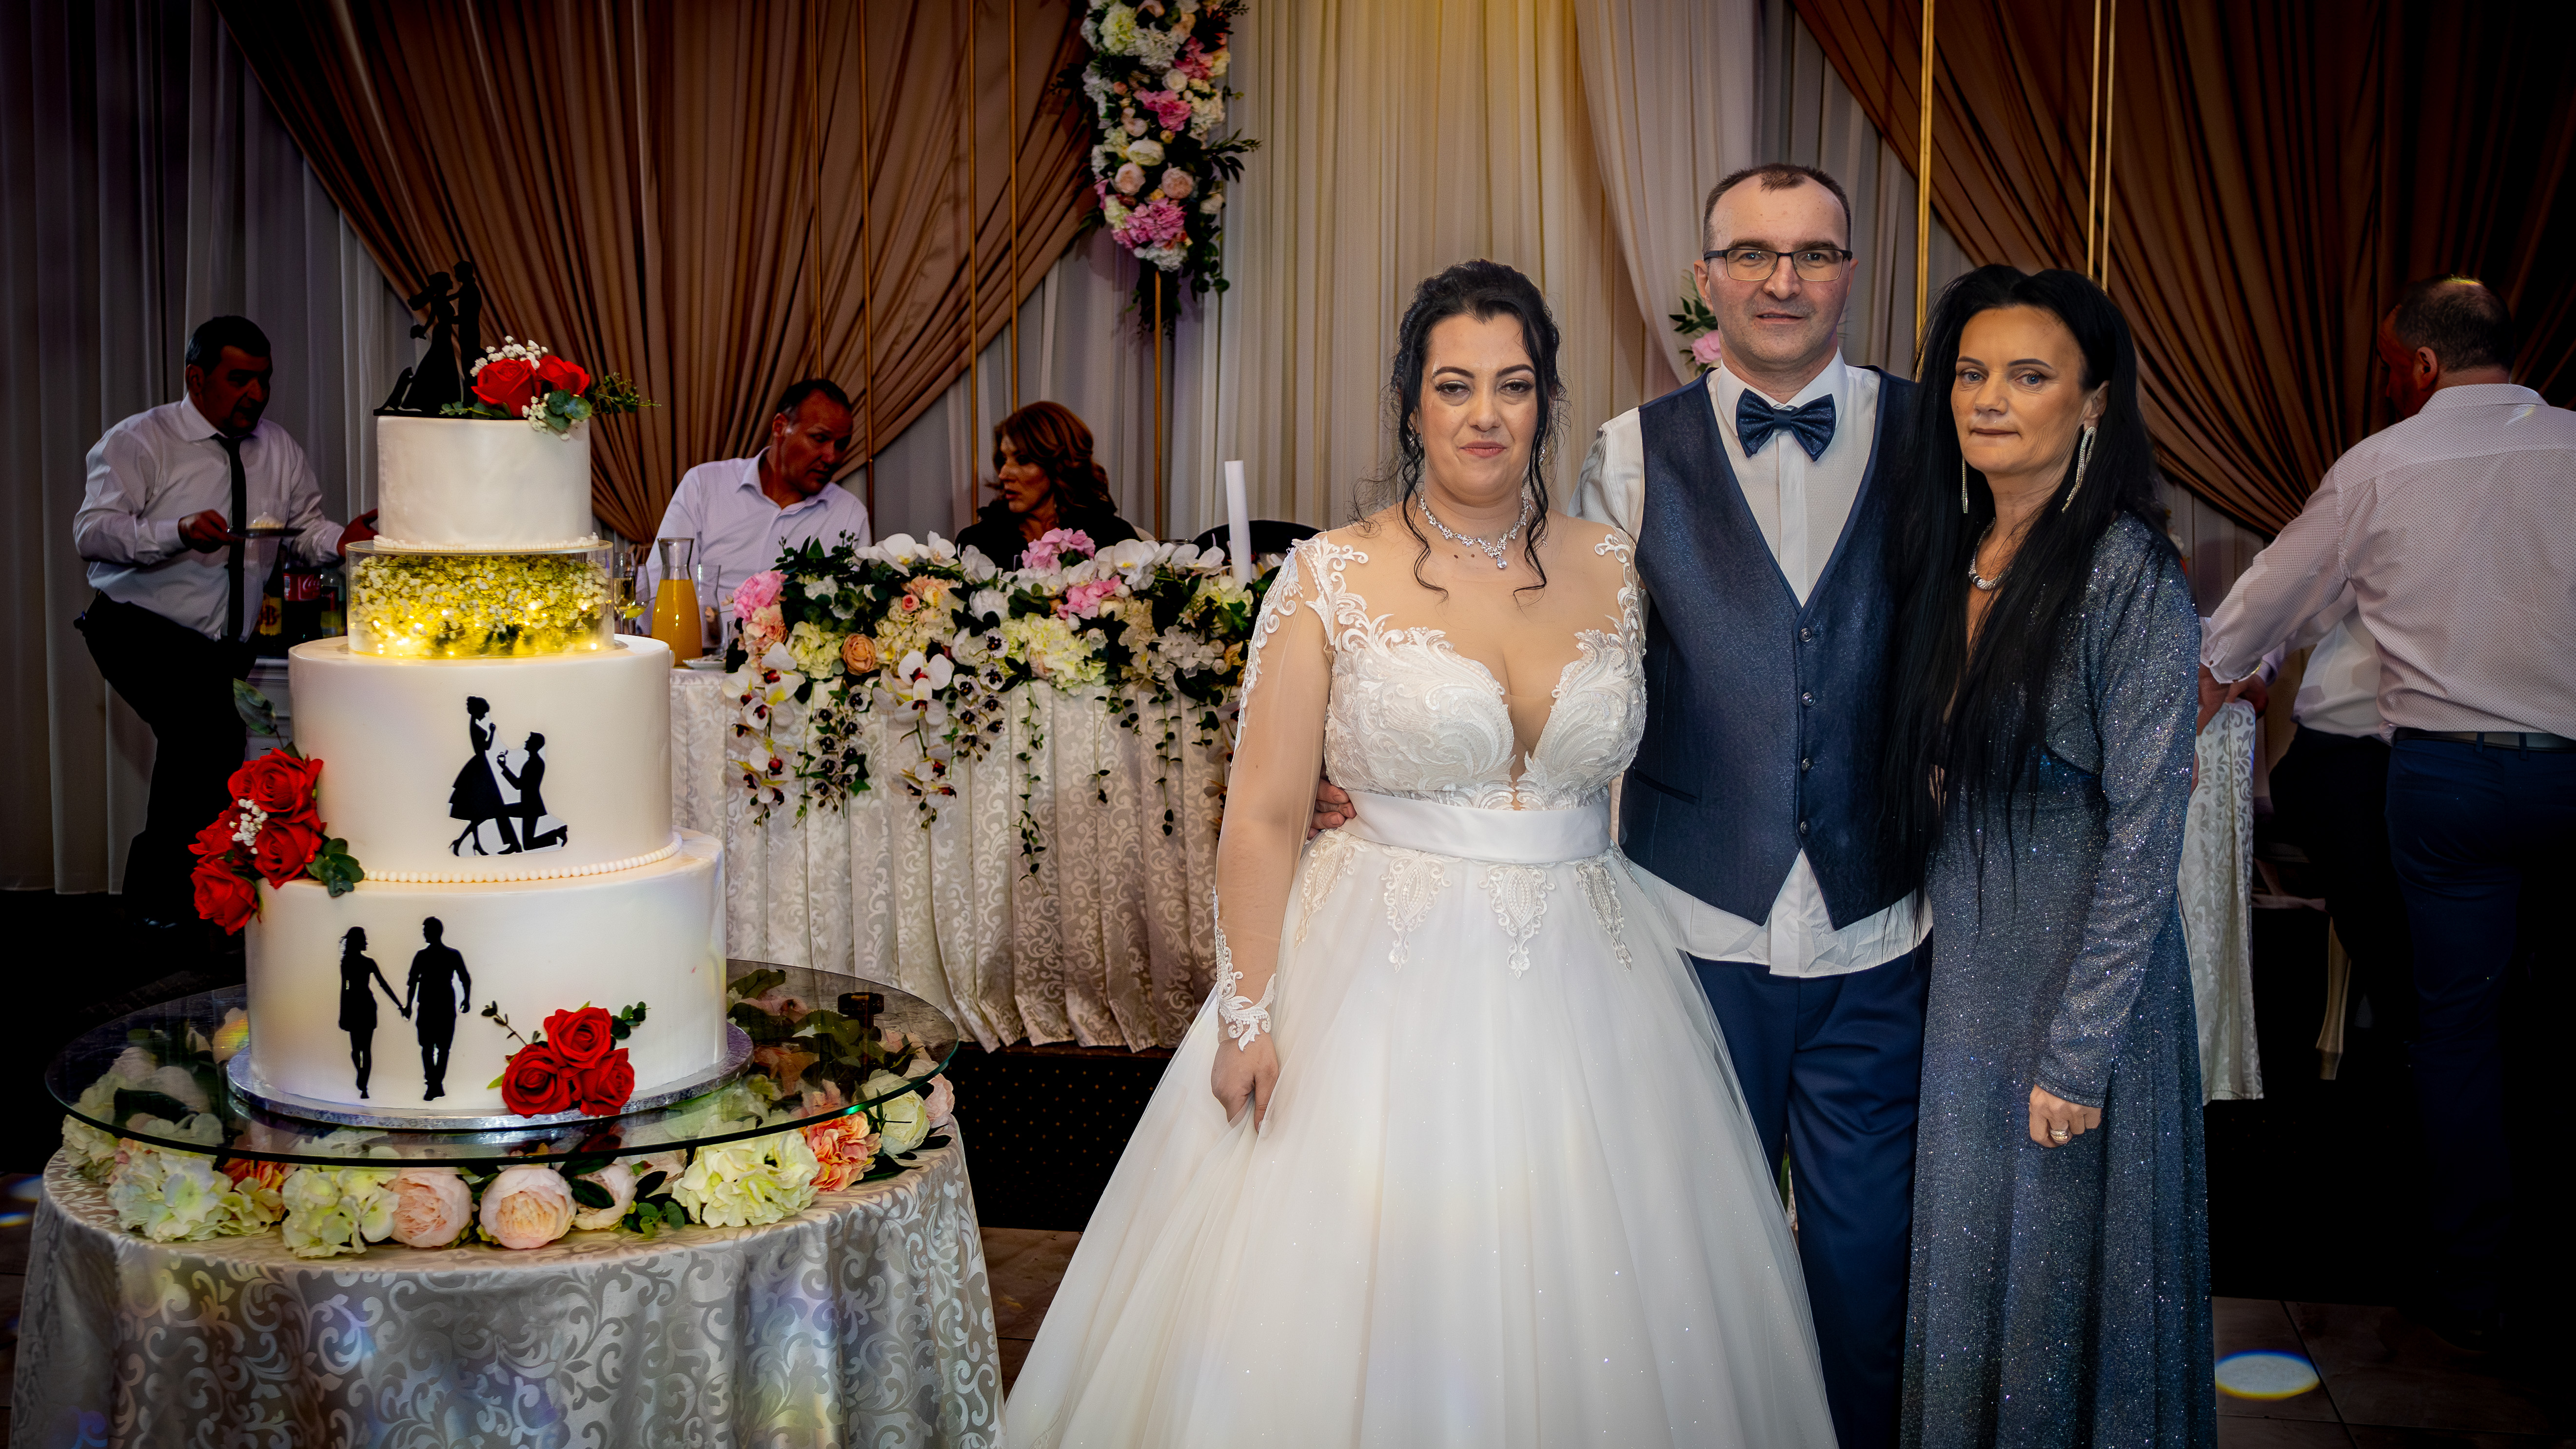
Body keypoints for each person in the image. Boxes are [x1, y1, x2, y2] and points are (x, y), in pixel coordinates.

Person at [1006, 261, 1836, 1447]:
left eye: (1512, 385)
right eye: (1454, 386)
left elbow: (1666, 753)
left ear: (1545, 400)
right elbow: (1263, 814)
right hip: (1374, 973)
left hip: (1595, 976)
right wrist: (1246, 1013)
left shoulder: (1613, 566)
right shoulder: (1329, 574)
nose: (1484, 414)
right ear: (1411, 404)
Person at [1574, 161, 1929, 1449]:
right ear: (1706, 277)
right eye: (1752, 255)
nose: (1783, 281)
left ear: (1851, 273)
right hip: (1688, 927)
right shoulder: (1626, 451)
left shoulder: (1935, 435)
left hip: (1875, 929)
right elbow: (1575, 671)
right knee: (1689, 1263)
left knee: (1863, 1264)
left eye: (1814, 254)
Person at [2200, 277, 2576, 1350]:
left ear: (2419, 365)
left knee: (2453, 1028)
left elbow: (2272, 590)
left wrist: (2215, 669)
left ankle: (2470, 1283)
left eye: (2386, 369)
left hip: (2445, 778)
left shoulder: (2379, 464)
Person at [1882, 265, 2212, 1447]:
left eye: (2028, 376)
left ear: (2092, 402)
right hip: (1969, 985)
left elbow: (2147, 830)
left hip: (2084, 995)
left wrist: (2077, 1053)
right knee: (1973, 1283)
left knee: (2059, 1303)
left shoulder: (2126, 573)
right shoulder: (1952, 550)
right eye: (1970, 373)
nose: (1988, 399)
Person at [72, 315, 376, 929]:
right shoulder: (140, 440)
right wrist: (177, 531)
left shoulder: (279, 449)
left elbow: (302, 530)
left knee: (208, 757)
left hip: (223, 646)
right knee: (199, 740)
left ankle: (188, 906)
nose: (256, 395)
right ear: (196, 379)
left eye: (264, 380)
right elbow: (92, 532)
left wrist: (340, 542)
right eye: (240, 380)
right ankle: (165, 908)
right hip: (139, 630)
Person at [2244, 599, 2418, 1074]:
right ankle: (2416, 1032)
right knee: (2368, 880)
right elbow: (2293, 589)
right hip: (2349, 735)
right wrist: (2249, 669)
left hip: (2469, 744)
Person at [645, 378, 872, 599]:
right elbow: (659, 587)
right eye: (820, 438)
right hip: (703, 626)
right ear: (780, 427)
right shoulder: (705, 485)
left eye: (842, 445)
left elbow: (855, 606)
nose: (831, 457)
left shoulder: (849, 514)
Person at [953, 401, 1142, 568]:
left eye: (1022, 460)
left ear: (1059, 464)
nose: (1003, 475)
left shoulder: (1112, 537)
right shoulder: (976, 544)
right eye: (1004, 459)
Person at [403, 916, 473, 1100]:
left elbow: (465, 978)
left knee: (435, 1048)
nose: (424, 933)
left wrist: (467, 999)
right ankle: (435, 1084)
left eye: (426, 930)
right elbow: (413, 983)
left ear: (435, 932)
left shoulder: (428, 956)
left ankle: (434, 1084)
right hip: (435, 1005)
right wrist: (466, 999)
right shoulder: (446, 955)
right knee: (436, 1048)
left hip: (438, 1006)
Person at [336, 927, 405, 1100]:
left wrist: (399, 1005)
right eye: (364, 939)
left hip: (363, 1008)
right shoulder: (351, 963)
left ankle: (364, 1086)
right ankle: (362, 1076)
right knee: (359, 1050)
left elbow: (382, 984)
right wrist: (343, 1014)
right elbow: (345, 988)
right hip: (360, 1007)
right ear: (358, 942)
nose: (367, 942)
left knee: (363, 1049)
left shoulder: (365, 963)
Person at [448, 696, 515, 856]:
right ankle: (467, 842)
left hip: (480, 766)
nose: (485, 716)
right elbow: (484, 747)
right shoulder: (475, 727)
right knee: (485, 810)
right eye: (484, 713)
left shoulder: (474, 725)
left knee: (478, 812)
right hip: (480, 769)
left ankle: (474, 844)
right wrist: (492, 732)